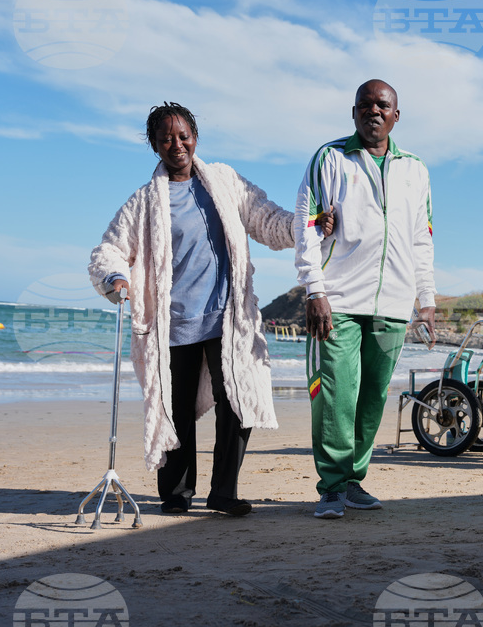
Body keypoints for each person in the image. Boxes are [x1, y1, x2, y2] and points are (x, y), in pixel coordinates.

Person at [89, 102, 331, 516]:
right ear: (154, 145)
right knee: (176, 410)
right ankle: (177, 494)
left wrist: (308, 225)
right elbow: (110, 248)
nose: (176, 145)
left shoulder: (224, 181)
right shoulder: (144, 202)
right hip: (172, 324)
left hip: (228, 320)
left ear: (195, 137)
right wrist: (115, 277)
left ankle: (224, 492)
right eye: (166, 138)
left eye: (183, 136)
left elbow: (266, 218)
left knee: (239, 401)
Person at [294, 79, 436, 519]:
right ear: (353, 112)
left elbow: (422, 238)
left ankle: (353, 480)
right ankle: (332, 486)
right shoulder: (330, 157)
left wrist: (426, 298)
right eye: (365, 105)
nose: (374, 111)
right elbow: (306, 225)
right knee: (336, 395)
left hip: (393, 302)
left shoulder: (416, 169)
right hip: (337, 299)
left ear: (396, 115)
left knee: (372, 398)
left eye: (382, 106)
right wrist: (314, 289)